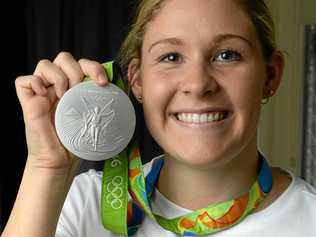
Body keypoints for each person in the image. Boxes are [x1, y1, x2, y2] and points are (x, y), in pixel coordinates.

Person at [2, 0, 316, 236]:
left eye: (227, 55)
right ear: (137, 80)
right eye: (171, 57)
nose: (197, 83)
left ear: (270, 76)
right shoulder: (81, 205)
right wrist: (47, 168)